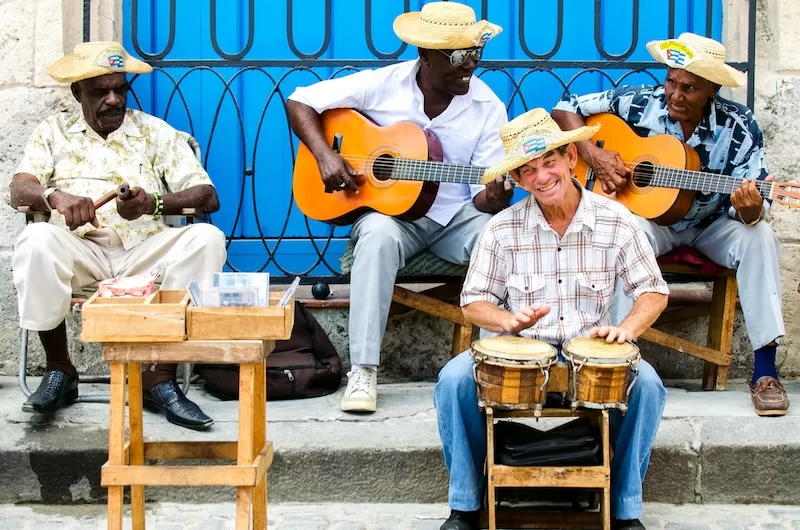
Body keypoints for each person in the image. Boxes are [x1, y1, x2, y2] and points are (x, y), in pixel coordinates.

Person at [433, 108, 670, 530]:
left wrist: (627, 330)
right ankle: (465, 505)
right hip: (520, 354)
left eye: (549, 163)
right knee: (453, 380)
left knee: (648, 385)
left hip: (592, 354)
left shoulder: (616, 220)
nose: (541, 177)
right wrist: (507, 320)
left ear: (570, 159)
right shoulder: (501, 229)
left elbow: (652, 290)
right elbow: (473, 302)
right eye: (528, 171)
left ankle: (625, 506)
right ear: (519, 181)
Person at [287, 1, 514, 413]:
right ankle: (364, 371)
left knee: (500, 235)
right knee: (374, 235)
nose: (471, 66)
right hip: (393, 218)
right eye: (461, 57)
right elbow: (300, 101)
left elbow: (482, 196)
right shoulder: (382, 84)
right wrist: (324, 155)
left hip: (455, 218)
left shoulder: (488, 107)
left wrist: (495, 198)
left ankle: (494, 363)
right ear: (426, 56)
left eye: (476, 55)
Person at [552, 32, 790, 417]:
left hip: (713, 224)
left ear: (712, 89)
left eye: (690, 88)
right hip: (654, 222)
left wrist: (751, 209)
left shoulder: (739, 126)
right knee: (620, 229)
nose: (675, 95)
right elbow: (564, 109)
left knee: (760, 236)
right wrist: (594, 157)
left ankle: (764, 371)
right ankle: (613, 364)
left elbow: (752, 205)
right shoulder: (639, 101)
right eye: (671, 82)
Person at [10, 41, 226, 431]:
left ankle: (159, 376)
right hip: (80, 252)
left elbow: (207, 196)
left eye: (120, 90)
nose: (113, 100)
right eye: (99, 92)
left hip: (144, 253)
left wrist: (153, 204)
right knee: (35, 240)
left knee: (207, 239)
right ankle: (60, 370)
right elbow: (18, 189)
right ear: (78, 93)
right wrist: (55, 197)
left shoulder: (154, 132)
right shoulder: (53, 132)